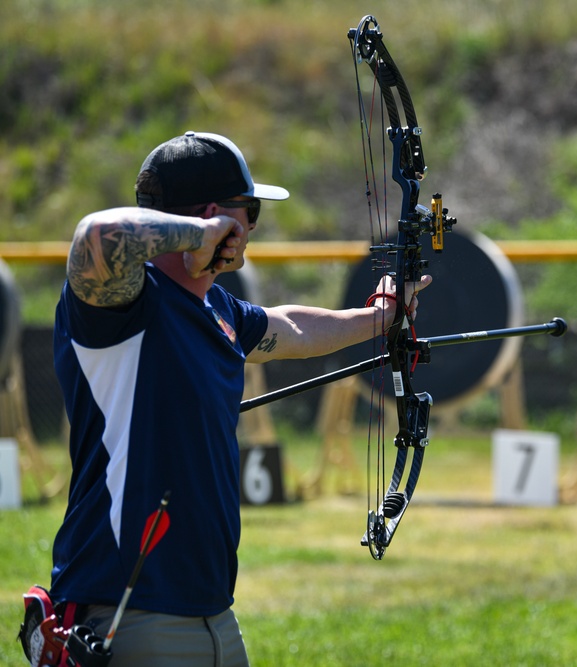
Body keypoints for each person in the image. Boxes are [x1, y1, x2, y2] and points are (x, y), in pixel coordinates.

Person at [45, 131, 431, 666]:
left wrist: (383, 316)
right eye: (248, 212)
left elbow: (291, 327)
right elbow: (96, 234)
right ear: (215, 217)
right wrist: (199, 233)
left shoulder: (217, 308)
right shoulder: (120, 308)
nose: (252, 228)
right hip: (131, 612)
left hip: (214, 614)